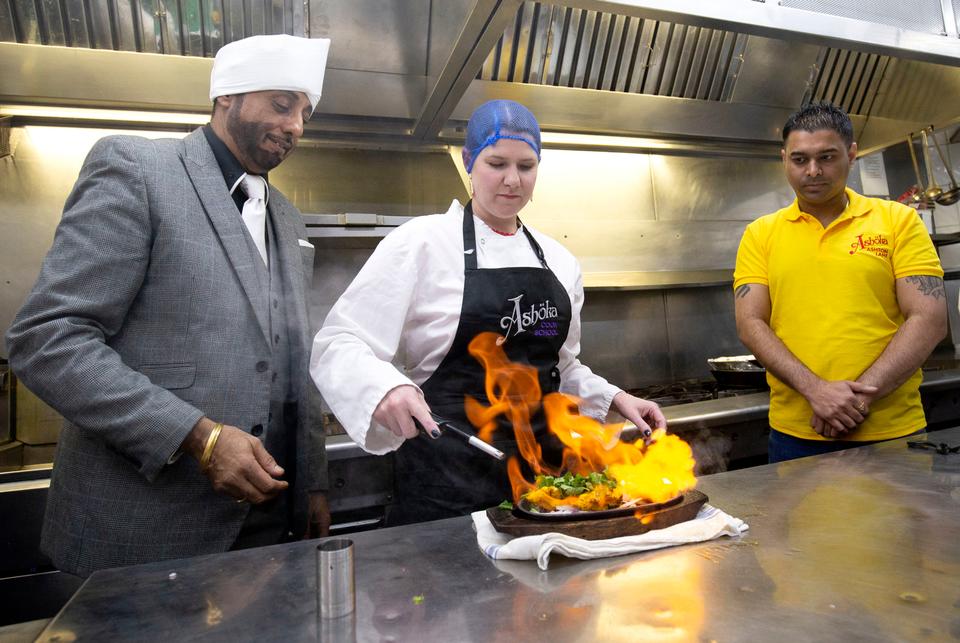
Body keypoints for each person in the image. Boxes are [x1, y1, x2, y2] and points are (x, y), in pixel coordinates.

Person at [5, 34, 333, 577]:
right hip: (148, 531)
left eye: (304, 111)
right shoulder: (138, 170)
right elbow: (47, 339)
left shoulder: (288, 219)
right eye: (281, 104)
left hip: (270, 527)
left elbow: (296, 362)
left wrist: (314, 482)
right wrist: (199, 438)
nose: (296, 126)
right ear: (227, 96)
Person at [310, 100, 666, 525]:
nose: (512, 180)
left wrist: (614, 398)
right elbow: (339, 342)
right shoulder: (420, 245)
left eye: (526, 166)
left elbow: (559, 366)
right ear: (468, 162)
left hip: (543, 490)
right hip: (446, 487)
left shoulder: (559, 261)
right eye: (496, 163)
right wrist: (386, 388)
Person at [733, 102, 947, 463]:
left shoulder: (898, 221)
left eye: (827, 157)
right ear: (784, 159)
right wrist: (816, 391)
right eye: (799, 160)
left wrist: (856, 401)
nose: (813, 171)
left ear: (851, 154)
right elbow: (751, 323)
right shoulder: (761, 234)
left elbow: (930, 319)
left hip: (891, 431)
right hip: (796, 436)